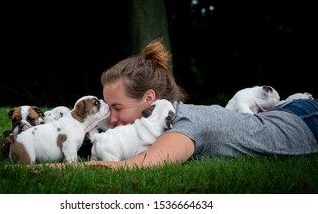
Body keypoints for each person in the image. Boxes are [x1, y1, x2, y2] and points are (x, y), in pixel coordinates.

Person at [48, 38, 318, 169]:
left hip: (304, 120)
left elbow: (132, 166)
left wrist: (42, 168)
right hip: (282, 113)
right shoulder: (158, 124)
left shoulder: (183, 125)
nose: (112, 119)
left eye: (116, 108)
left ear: (149, 99)